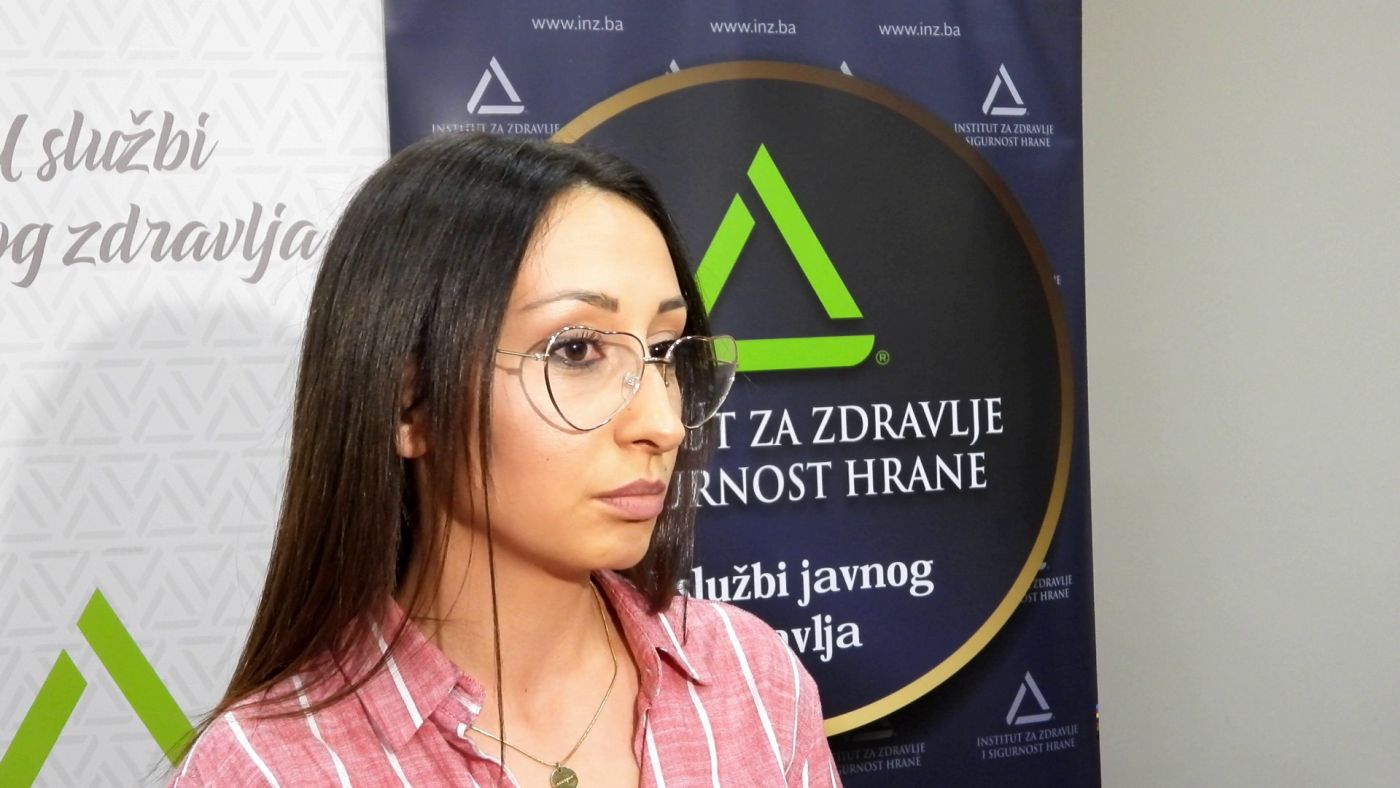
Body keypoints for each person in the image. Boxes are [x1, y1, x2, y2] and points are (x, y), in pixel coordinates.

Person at [168, 133, 841, 787]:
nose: (663, 425)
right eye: (577, 351)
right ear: (409, 405)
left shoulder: (753, 682)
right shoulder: (270, 771)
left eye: (664, 351)